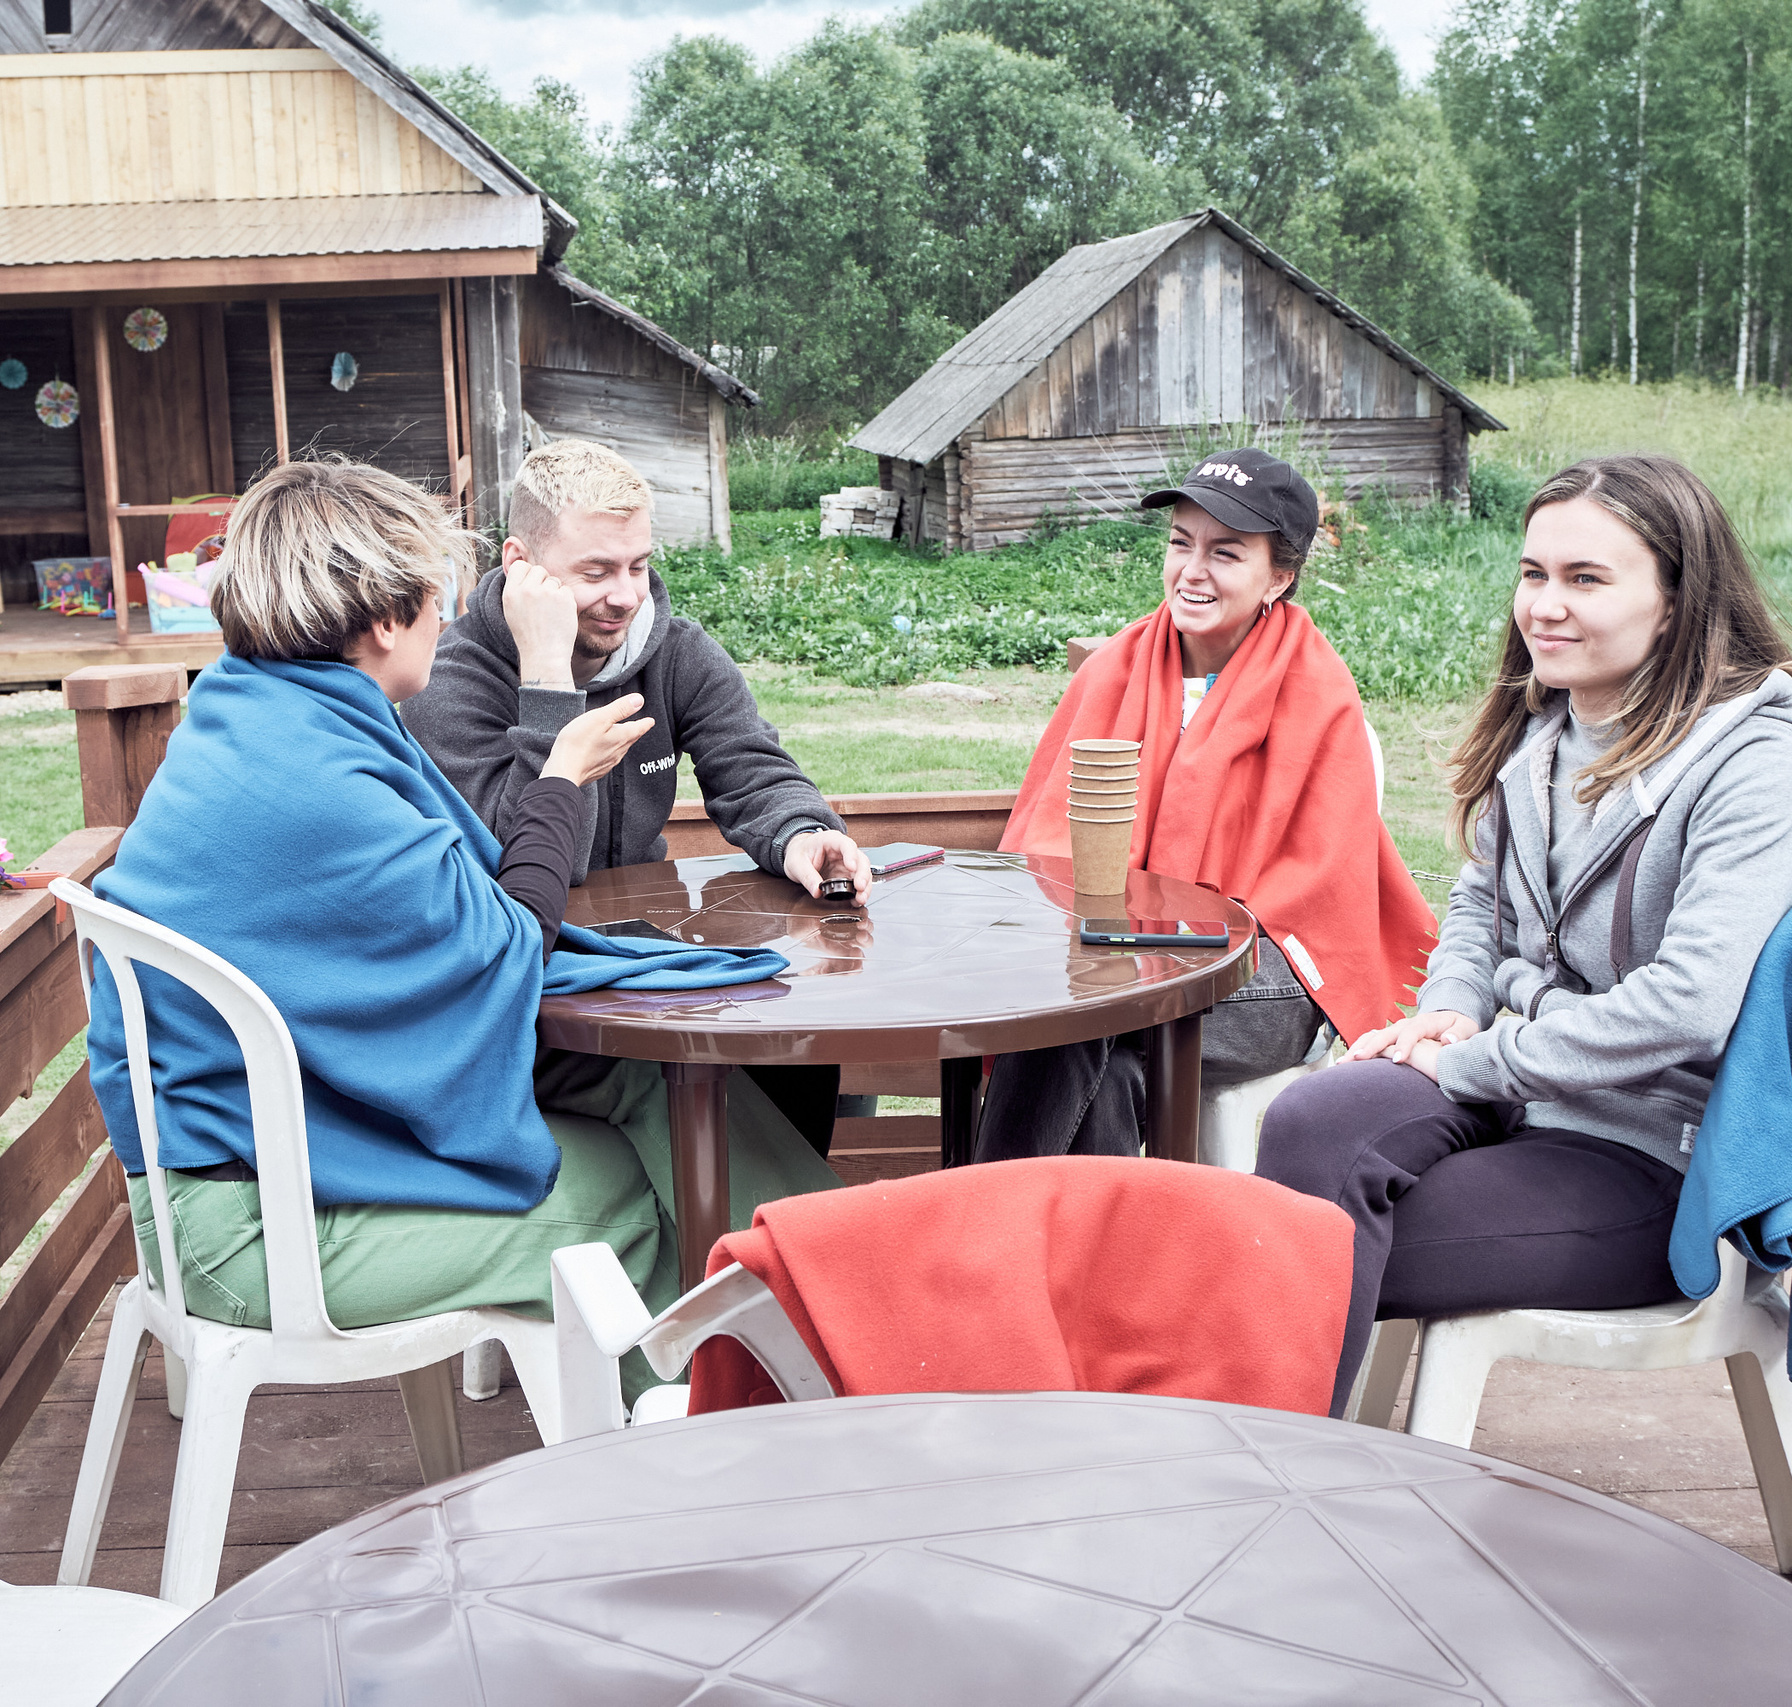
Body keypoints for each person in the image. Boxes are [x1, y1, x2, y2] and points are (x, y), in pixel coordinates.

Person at [84, 454, 838, 1380]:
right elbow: (504, 948)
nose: (445, 619)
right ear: (383, 620)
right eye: (433, 599)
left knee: (649, 1090)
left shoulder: (255, 709)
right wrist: (559, 774)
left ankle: (837, 1304)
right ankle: (742, 1403)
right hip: (248, 1225)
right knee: (645, 1197)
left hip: (277, 1143)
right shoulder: (322, 779)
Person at [1256, 454, 1792, 1415]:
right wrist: (1451, 1010)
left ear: (1675, 599)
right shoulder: (1549, 722)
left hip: (1653, 1149)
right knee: (1309, 1124)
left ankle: (1274, 1466)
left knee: (1297, 1244)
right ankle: (1281, 1446)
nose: (1544, 607)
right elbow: (1478, 903)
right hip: (1522, 1086)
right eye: (1533, 573)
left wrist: (1476, 1061)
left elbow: (1689, 1006)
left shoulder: (1756, 759)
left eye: (1586, 579)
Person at [405, 438, 871, 1150]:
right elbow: (523, 865)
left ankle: (774, 1215)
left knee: (803, 1040)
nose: (625, 595)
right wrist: (548, 680)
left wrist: (801, 832)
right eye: (595, 571)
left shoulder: (677, 651)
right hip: (532, 982)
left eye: (638, 565)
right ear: (520, 564)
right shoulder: (448, 681)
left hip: (649, 956)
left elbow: (752, 768)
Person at [980, 448, 1434, 1161]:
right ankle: (1092, 1236)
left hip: (1268, 970)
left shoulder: (1317, 692)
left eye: (1225, 553)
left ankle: (981, 1215)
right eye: (1180, 543)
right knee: (1101, 1053)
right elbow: (1053, 837)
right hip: (1118, 951)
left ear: (1279, 576)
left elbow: (1319, 889)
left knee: (1078, 1012)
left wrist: (1159, 943)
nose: (1192, 571)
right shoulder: (1114, 670)